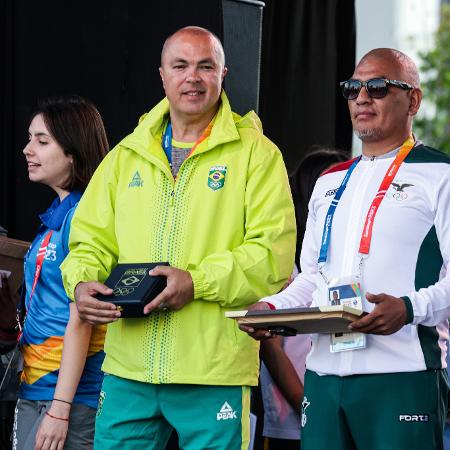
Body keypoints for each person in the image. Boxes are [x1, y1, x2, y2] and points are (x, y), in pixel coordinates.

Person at [60, 26, 296, 450]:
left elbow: (271, 257)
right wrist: (80, 282)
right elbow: (89, 242)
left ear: (224, 73)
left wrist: (196, 282)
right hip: (128, 368)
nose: (193, 77)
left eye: (205, 66)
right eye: (181, 65)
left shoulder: (257, 155)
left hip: (213, 371)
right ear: (162, 76)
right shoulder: (124, 155)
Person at [242, 48, 450, 450]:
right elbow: (314, 278)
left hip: (403, 375)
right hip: (323, 375)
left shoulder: (440, 174)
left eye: (377, 87)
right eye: (353, 88)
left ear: (414, 100)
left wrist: (409, 308)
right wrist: (272, 308)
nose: (362, 98)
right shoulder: (330, 180)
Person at [13, 95, 109, 450]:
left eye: (42, 141)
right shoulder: (59, 214)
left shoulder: (86, 215)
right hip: (36, 386)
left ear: (73, 151)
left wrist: (60, 409)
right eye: (29, 138)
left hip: (69, 397)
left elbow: (83, 316)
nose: (27, 149)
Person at [260, 149, 348, 450]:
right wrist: (306, 405)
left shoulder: (345, 263)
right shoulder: (287, 266)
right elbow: (270, 348)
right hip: (291, 423)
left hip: (338, 412)